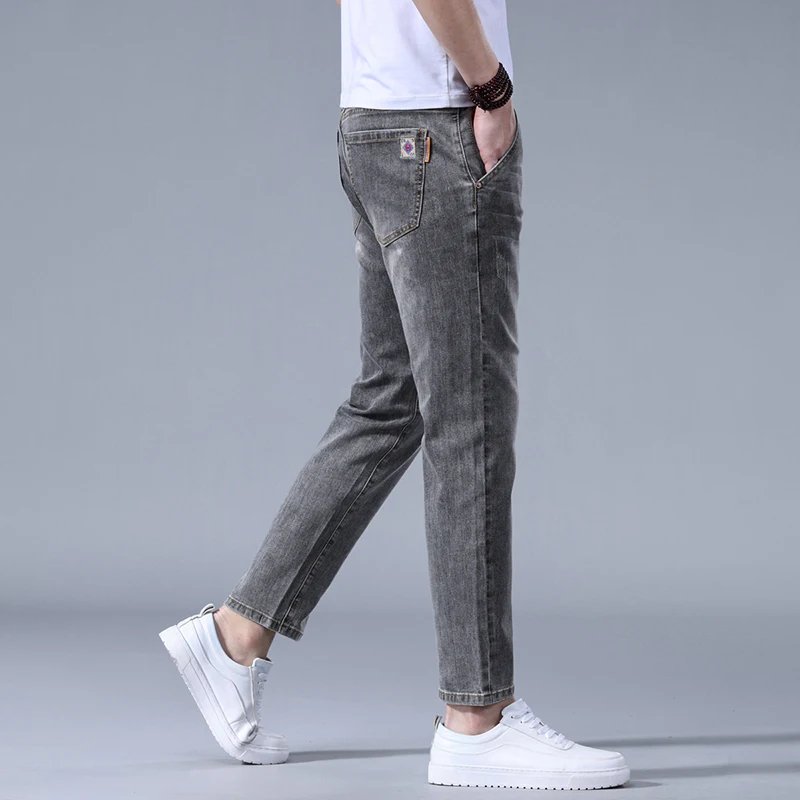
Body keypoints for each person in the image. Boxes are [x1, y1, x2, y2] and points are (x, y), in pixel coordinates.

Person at [158, 0, 630, 790]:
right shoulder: (463, 100)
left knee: (392, 400)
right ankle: (478, 718)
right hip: (436, 124)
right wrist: (492, 89)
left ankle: (236, 635)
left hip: (376, 124)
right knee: (470, 418)